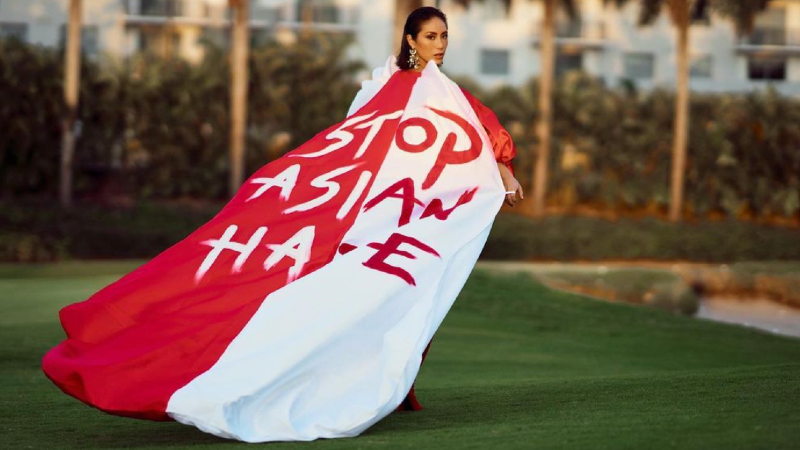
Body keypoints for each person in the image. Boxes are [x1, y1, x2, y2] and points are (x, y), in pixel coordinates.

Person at [42, 6, 522, 443]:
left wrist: (502, 171)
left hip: (402, 210)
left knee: (403, 290)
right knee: (370, 290)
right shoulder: (382, 86)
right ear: (411, 40)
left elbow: (483, 128)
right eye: (432, 36)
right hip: (364, 208)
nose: (441, 43)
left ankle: (396, 387)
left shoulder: (447, 94)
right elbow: (354, 142)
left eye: (445, 35)